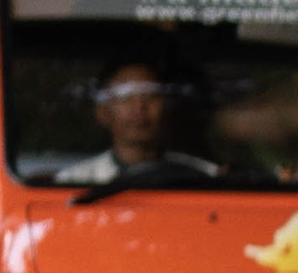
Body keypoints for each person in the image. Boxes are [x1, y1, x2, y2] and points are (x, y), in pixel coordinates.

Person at [56, 58, 218, 189]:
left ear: (166, 108)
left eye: (150, 96)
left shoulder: (205, 177)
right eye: (125, 97)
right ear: (103, 113)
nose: (139, 108)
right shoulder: (70, 182)